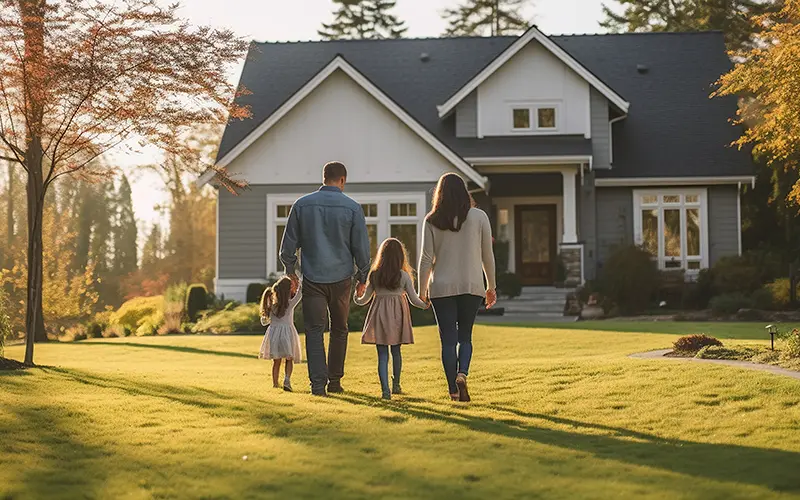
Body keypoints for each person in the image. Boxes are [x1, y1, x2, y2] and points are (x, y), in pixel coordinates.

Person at [280, 161, 371, 396]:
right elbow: (361, 247)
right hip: (342, 279)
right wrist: (363, 276)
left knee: (314, 330)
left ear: (324, 178)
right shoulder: (352, 208)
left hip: (313, 278)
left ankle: (318, 386)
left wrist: (291, 272)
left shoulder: (301, 205)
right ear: (342, 180)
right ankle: (335, 381)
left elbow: (287, 246)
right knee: (340, 329)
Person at [419, 173, 496, 402]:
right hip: (471, 286)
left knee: (448, 341)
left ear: (439, 194)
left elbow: (425, 259)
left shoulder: (431, 220)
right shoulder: (479, 217)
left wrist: (422, 292)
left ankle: (453, 391)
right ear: (464, 192)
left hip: (441, 288)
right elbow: (487, 256)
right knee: (466, 337)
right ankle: (462, 374)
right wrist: (491, 286)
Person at [354, 238, 429, 400]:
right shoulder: (403, 276)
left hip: (379, 315)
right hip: (397, 316)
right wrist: (425, 304)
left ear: (382, 255)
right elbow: (413, 299)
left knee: (382, 354)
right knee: (396, 351)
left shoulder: (375, 275)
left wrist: (356, 296)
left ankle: (385, 391)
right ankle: (396, 385)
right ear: (400, 256)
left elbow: (364, 300)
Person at [258, 276, 303, 392]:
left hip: (274, 335)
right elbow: (300, 293)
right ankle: (287, 380)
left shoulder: (272, 305)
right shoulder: (290, 304)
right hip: (288, 334)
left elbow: (264, 321)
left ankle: (275, 383)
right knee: (289, 359)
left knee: (276, 361)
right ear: (288, 290)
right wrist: (300, 278)